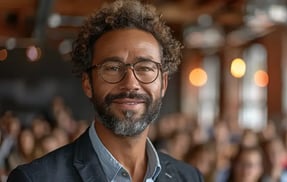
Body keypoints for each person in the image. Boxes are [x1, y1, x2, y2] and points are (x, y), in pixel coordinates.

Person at [7, 0, 203, 181]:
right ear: (87, 84)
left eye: (145, 68)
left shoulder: (189, 177)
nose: (130, 83)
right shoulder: (36, 178)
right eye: (112, 68)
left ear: (164, 84)